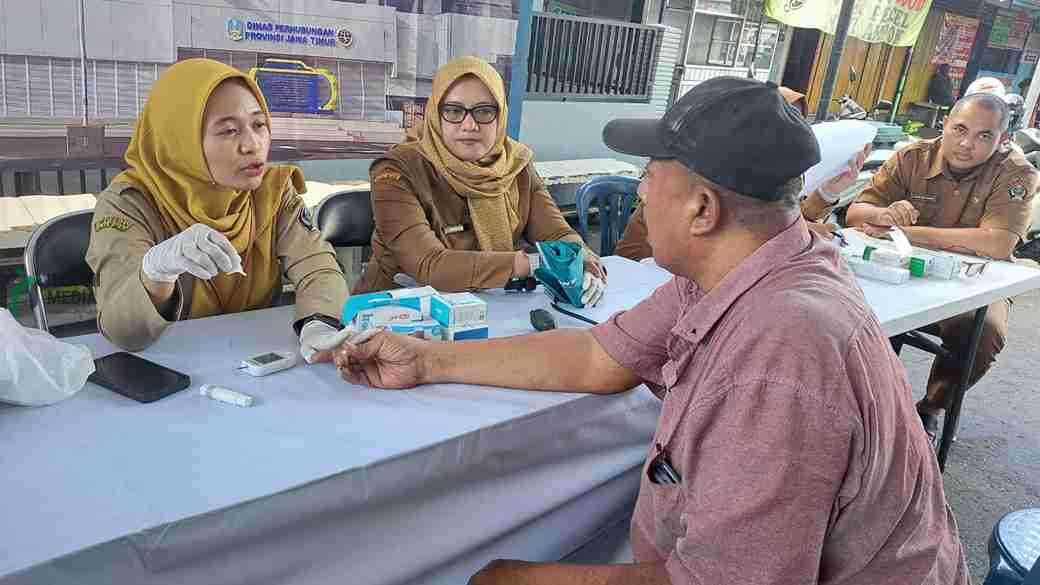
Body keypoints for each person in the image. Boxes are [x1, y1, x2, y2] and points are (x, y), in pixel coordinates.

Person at [333, 78, 968, 585]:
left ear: (701, 209)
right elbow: (595, 358)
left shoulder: (779, 355)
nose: (639, 192)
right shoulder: (744, 263)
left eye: (649, 174)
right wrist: (429, 360)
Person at [86, 58, 351, 361]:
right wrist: (154, 275)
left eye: (259, 124)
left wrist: (319, 323)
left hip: (256, 360)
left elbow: (317, 267)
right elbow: (122, 331)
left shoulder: (272, 191)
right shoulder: (129, 202)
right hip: (166, 366)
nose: (252, 145)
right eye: (228, 131)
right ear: (178, 138)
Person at [847, 92, 1038, 439]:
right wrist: (883, 214)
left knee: (984, 331)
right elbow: (856, 213)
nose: (967, 144)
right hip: (903, 267)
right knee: (844, 305)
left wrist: (905, 230)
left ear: (1003, 140)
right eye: (959, 129)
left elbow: (997, 243)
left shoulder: (1015, 172)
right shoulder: (911, 157)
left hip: (976, 280)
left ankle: (931, 407)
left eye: (984, 136)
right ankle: (863, 403)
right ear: (945, 125)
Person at [354, 56, 605, 306]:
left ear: (501, 115)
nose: (469, 125)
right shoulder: (398, 169)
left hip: (493, 304)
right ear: (435, 114)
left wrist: (580, 256)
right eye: (453, 111)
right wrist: (535, 263)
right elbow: (430, 264)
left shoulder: (516, 163)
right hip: (400, 312)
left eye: (484, 111)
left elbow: (556, 232)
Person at [616, 86, 870, 261]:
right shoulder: (701, 174)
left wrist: (829, 191)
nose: (643, 190)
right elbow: (747, 234)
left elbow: (783, 218)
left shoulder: (764, 177)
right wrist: (801, 233)